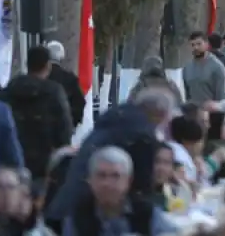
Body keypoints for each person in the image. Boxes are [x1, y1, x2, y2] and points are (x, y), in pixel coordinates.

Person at [46, 87, 176, 221]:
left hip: (69, 202)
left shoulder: (113, 121)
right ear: (159, 115)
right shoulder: (141, 133)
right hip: (91, 209)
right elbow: (143, 182)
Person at [0, 45, 74, 180]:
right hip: (45, 163)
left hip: (13, 160)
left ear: (27, 64)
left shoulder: (8, 90)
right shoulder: (54, 92)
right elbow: (64, 127)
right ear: (48, 66)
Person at [62, 146, 174, 236]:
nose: (107, 183)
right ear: (90, 180)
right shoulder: (77, 217)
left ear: (128, 181)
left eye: (115, 176)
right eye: (101, 176)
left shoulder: (147, 213)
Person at [45, 40, 86, 129]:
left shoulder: (40, 76)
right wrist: (73, 123)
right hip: (62, 127)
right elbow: (80, 102)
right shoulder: (69, 78)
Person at [182, 31, 225, 104]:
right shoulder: (187, 67)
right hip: (193, 112)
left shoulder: (217, 67)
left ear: (207, 44)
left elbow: (222, 96)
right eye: (192, 45)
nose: (196, 47)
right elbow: (187, 94)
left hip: (213, 112)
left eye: (199, 44)